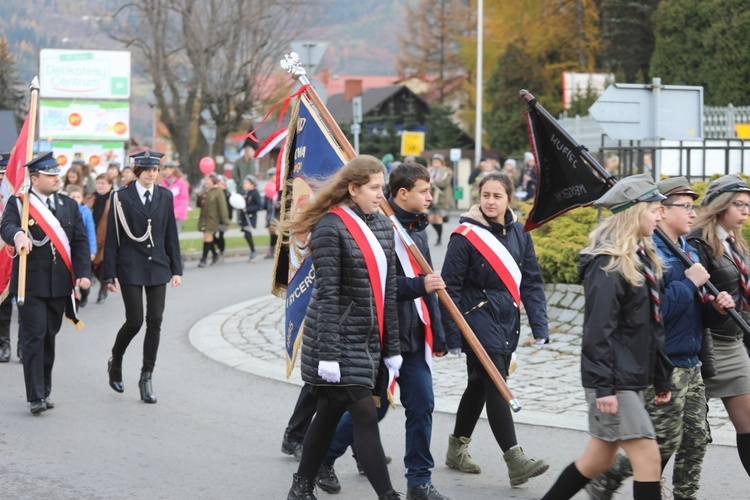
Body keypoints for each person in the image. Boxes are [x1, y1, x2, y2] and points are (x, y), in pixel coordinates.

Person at [586, 176, 735, 499]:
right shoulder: (656, 258)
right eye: (685, 207)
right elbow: (656, 315)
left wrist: (717, 309)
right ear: (662, 211)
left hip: (691, 359)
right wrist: (690, 285)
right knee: (662, 441)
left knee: (696, 439)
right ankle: (608, 478)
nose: (694, 214)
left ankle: (685, 494)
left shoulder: (687, 253)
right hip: (667, 361)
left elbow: (694, 314)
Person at [315, 162, 450, 499]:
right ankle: (323, 460)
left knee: (422, 405)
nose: (430, 197)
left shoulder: (417, 229)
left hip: (415, 337)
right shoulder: (376, 225)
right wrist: (420, 285)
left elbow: (428, 287)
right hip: (380, 335)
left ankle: (419, 480)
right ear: (403, 193)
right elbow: (383, 287)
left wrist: (442, 336)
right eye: (424, 191)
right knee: (371, 410)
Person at [541, 174, 673, 500]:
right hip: (613, 380)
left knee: (597, 459)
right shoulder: (609, 263)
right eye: (655, 209)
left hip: (629, 375)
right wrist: (604, 386)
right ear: (634, 211)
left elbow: (650, 327)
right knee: (648, 458)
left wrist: (660, 376)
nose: (661, 216)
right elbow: (598, 330)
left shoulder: (642, 258)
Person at [280, 155, 401, 500]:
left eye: (383, 187)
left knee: (328, 415)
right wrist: (329, 356)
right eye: (374, 188)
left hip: (366, 340)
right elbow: (329, 295)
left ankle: (301, 486)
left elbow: (387, 291)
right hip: (332, 342)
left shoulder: (382, 225)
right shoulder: (331, 227)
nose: (381, 194)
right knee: (364, 416)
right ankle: (389, 495)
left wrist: (391, 348)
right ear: (353, 188)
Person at [440, 171, 549, 487]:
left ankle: (456, 450)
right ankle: (515, 460)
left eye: (496, 196)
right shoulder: (464, 237)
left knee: (478, 383)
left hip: (507, 320)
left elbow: (530, 281)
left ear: (508, 200)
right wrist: (453, 334)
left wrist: (539, 324)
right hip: (475, 321)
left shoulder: (520, 233)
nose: (490, 201)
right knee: (496, 382)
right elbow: (450, 288)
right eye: (485, 195)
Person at [0, 152, 91, 414]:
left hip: (59, 284)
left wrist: (83, 272)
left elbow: (80, 242)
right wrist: (17, 234)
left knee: (49, 336)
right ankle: (35, 396)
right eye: (50, 175)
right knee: (33, 337)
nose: (56, 179)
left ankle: (45, 389)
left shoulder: (68, 205)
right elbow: (6, 226)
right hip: (30, 283)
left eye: (57, 174)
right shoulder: (20, 204)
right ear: (35, 178)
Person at [103, 150, 182, 404]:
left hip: (158, 266)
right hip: (130, 267)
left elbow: (171, 234)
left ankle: (146, 377)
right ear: (138, 171)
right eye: (147, 169)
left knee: (155, 321)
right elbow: (112, 239)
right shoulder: (120, 198)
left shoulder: (165, 196)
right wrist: (109, 274)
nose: (152, 174)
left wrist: (176, 268)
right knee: (135, 321)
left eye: (155, 170)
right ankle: (116, 360)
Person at [686, 173, 750, 478]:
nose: (745, 211)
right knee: (679, 434)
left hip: (733, 343)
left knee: (749, 423)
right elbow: (695, 297)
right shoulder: (696, 242)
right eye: (738, 204)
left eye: (748, 205)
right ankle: (617, 473)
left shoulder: (735, 242)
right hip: (704, 345)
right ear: (720, 205)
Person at [64, 185, 97, 307]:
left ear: (82, 198)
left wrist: (92, 251)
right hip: (68, 250)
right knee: (70, 275)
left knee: (82, 274)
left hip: (82, 249)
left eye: (78, 197)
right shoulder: (64, 210)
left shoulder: (86, 212)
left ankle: (84, 293)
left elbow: (91, 232)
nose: (75, 199)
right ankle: (72, 298)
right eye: (73, 196)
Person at [0, 152, 15, 363]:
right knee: (2, 304)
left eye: (4, 173)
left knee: (25, 302)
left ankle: (22, 344)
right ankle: (4, 342)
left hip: (18, 252)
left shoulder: (22, 196)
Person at [196, 173, 229, 267]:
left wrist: (225, 219)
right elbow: (199, 205)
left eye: (208, 180)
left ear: (213, 181)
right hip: (204, 218)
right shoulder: (205, 191)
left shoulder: (218, 191)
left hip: (213, 218)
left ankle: (203, 259)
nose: (206, 182)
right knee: (209, 237)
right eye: (206, 180)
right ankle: (214, 254)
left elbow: (222, 206)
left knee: (207, 237)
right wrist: (199, 195)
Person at [92, 173, 114, 304]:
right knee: (91, 266)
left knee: (102, 266)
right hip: (91, 238)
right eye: (99, 183)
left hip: (106, 238)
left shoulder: (113, 199)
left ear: (110, 185)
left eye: (103, 183)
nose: (100, 186)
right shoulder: (90, 198)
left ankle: (103, 289)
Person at [427, 153, 453, 246]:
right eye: (434, 162)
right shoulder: (429, 171)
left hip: (442, 198)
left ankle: (439, 238)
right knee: (430, 219)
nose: (435, 164)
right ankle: (437, 235)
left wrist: (434, 182)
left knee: (438, 218)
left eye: (437, 162)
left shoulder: (447, 171)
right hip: (430, 197)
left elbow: (444, 184)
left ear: (441, 162)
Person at [160, 161, 190, 233]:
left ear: (173, 169)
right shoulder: (164, 183)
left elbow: (184, 199)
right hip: (166, 215)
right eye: (164, 170)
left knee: (173, 236)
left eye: (167, 169)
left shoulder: (181, 183)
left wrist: (175, 213)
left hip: (177, 216)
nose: (165, 171)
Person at [239, 175, 262, 262]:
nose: (244, 185)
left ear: (252, 184)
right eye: (244, 183)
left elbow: (259, 205)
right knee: (246, 234)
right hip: (244, 217)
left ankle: (254, 252)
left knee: (247, 233)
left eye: (246, 183)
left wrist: (247, 209)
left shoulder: (255, 193)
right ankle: (253, 251)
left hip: (250, 217)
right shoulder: (244, 193)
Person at [264, 168, 281, 259]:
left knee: (274, 230)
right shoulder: (269, 188)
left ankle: (274, 249)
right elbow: (265, 204)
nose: (271, 178)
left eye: (272, 176)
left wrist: (277, 203)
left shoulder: (280, 187)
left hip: (278, 214)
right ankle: (272, 249)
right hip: (270, 214)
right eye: (269, 177)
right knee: (271, 232)